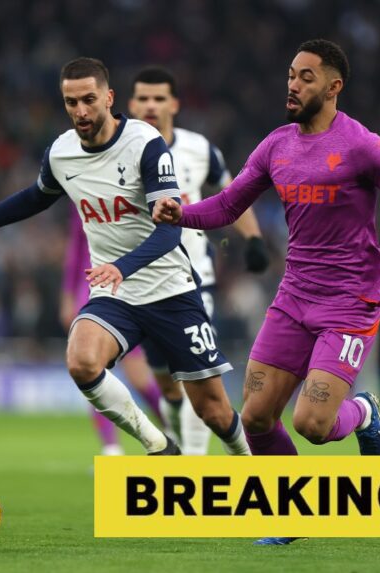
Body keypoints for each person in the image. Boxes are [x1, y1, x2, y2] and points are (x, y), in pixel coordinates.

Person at [153, 39, 380, 544]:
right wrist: (183, 213)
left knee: (311, 422)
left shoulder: (364, 145)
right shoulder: (275, 145)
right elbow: (226, 206)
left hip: (349, 302)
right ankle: (291, 518)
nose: (293, 83)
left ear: (334, 87)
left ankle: (365, 412)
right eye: (290, 74)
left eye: (306, 76)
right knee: (257, 416)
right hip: (292, 297)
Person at [0, 57, 250, 457]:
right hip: (117, 296)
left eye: (89, 100)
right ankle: (158, 445)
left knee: (212, 410)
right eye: (71, 103)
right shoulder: (61, 153)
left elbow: (169, 230)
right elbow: (30, 200)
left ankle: (250, 463)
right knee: (82, 361)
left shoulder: (145, 144)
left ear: (109, 98)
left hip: (171, 291)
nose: (81, 111)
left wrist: (120, 267)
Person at [125, 66, 269, 454]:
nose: (151, 105)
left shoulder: (200, 149)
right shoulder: (118, 152)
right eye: (144, 98)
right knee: (169, 387)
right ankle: (182, 449)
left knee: (196, 379)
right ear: (131, 104)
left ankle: (192, 465)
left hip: (192, 279)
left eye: (159, 98)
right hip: (140, 285)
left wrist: (253, 237)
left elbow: (232, 196)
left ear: (174, 103)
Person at [59, 204, 165, 456]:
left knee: (139, 378)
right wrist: (68, 294)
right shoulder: (82, 190)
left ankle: (170, 431)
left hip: (127, 290)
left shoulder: (136, 185)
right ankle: (111, 448)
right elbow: (76, 245)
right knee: (90, 371)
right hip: (91, 290)